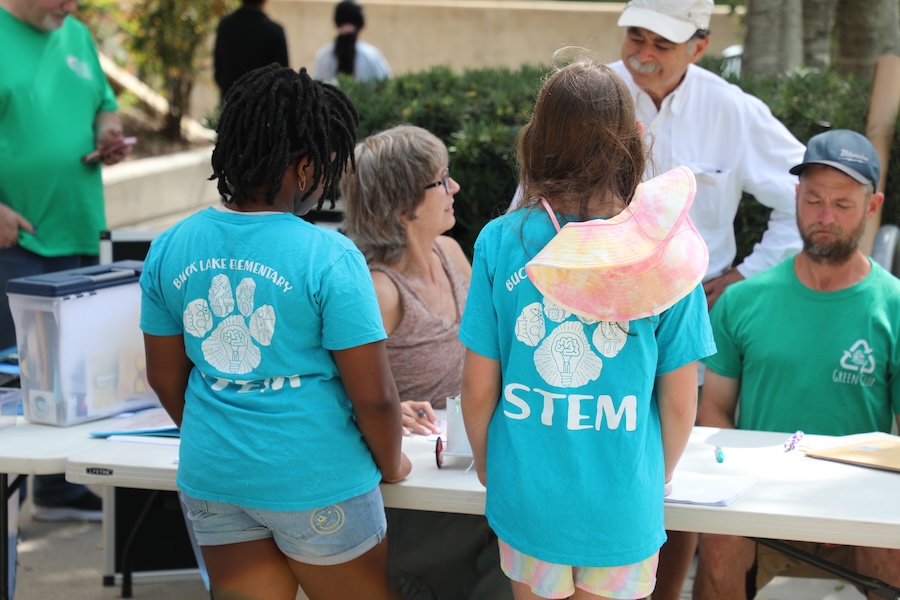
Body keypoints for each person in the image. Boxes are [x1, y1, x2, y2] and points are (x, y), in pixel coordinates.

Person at [139, 64, 410, 600]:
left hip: (216, 475)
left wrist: (223, 436)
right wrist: (392, 463)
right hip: (317, 479)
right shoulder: (330, 256)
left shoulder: (170, 247)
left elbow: (164, 378)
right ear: (305, 167)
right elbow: (375, 397)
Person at [458, 60, 716, 600]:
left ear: (535, 143)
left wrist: (489, 466)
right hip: (622, 506)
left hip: (526, 498)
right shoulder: (668, 253)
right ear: (634, 140)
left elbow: (479, 388)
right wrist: (653, 477)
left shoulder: (500, 243)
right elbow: (679, 402)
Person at [609, 2, 807, 594]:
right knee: (606, 447)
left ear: (699, 46)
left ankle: (666, 593)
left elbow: (804, 194)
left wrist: (748, 275)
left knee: (677, 463)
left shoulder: (732, 110)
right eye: (635, 37)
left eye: (661, 44)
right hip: (602, 308)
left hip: (692, 314)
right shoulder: (593, 97)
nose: (643, 54)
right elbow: (533, 201)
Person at [693, 129, 900, 600]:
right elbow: (714, 411)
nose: (825, 217)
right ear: (795, 197)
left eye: (842, 204)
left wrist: (867, 502)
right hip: (759, 504)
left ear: (872, 207)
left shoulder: (894, 307)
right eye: (813, 200)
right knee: (719, 546)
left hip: (860, 510)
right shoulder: (742, 301)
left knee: (894, 549)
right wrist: (748, 488)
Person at [342, 124, 512, 600]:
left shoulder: (451, 252)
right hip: (425, 502)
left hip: (473, 474)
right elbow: (333, 394)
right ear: (401, 205)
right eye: (440, 180)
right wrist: (388, 410)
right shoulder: (379, 290)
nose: (454, 187)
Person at [0, 0, 132, 524]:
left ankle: (56, 491)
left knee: (71, 375)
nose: (72, 6)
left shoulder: (75, 34)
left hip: (77, 227)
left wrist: (109, 133)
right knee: (15, 378)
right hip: (15, 240)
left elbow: (104, 104)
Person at [213, 0, 289, 101]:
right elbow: (283, 76)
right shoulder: (275, 31)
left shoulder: (224, 25)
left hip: (230, 102)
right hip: (263, 105)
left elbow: (219, 72)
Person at [312, 0, 391, 83]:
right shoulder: (371, 56)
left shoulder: (323, 56)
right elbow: (387, 85)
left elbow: (316, 86)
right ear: (360, 23)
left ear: (337, 22)